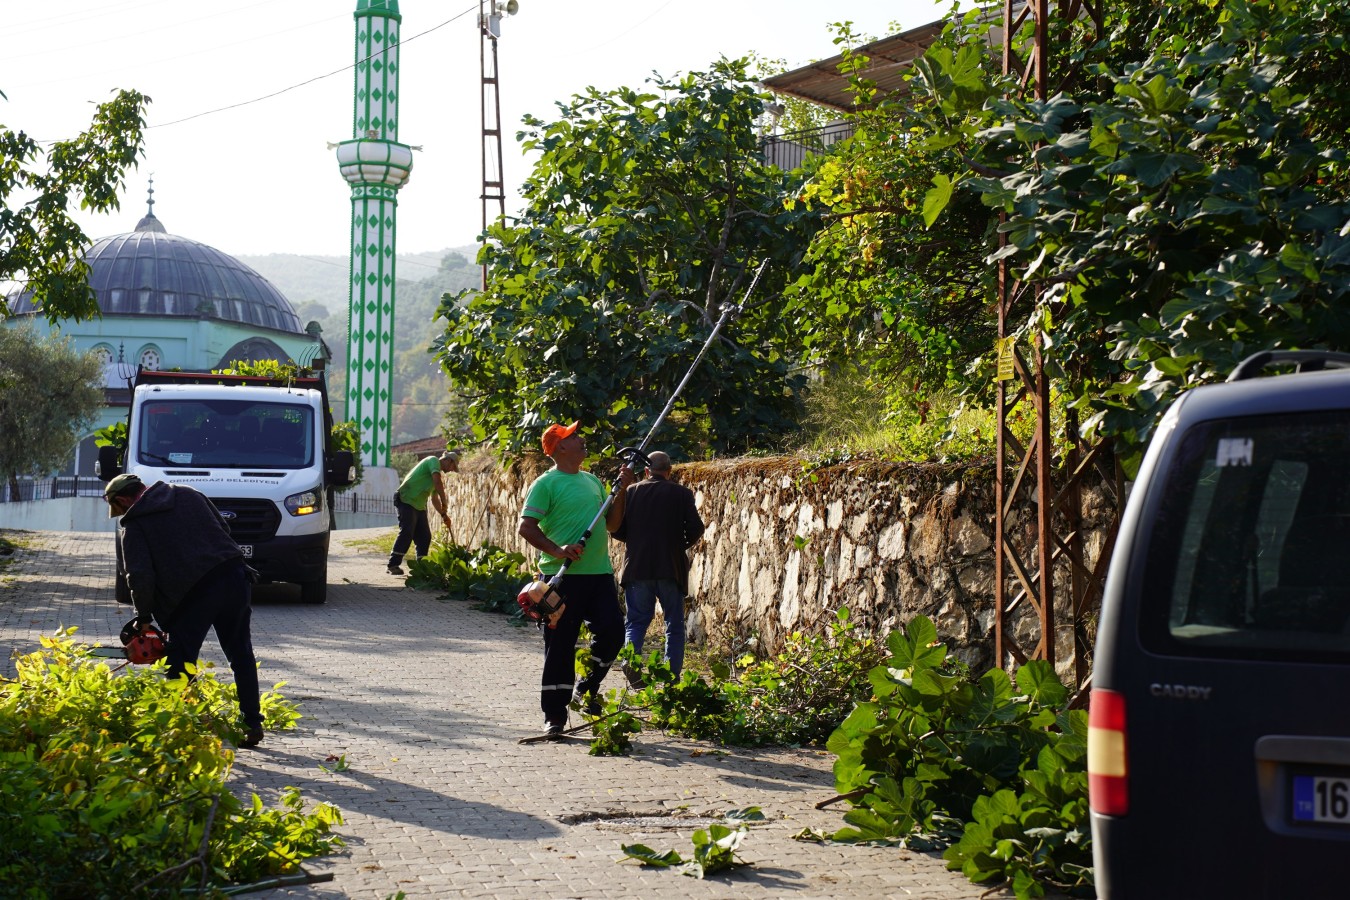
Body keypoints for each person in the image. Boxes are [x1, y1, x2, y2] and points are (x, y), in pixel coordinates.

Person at [104, 473, 265, 748]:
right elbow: (223, 530)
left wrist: (144, 618)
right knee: (241, 654)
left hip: (192, 595)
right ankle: (252, 723)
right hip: (234, 576)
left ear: (121, 500)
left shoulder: (134, 525)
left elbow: (140, 576)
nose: (121, 514)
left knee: (179, 664)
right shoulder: (188, 493)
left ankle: (179, 730)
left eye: (119, 509)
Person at [517, 421, 634, 736]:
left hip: (598, 575)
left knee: (613, 634)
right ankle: (554, 716)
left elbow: (612, 524)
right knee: (559, 647)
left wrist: (620, 493)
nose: (582, 440)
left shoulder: (593, 481)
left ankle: (588, 686)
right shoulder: (546, 484)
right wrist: (558, 549)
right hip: (561, 578)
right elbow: (526, 528)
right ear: (560, 448)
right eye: (573, 437)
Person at [612, 451, 705, 677]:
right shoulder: (682, 494)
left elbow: (618, 530)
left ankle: (631, 662)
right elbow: (696, 528)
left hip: (637, 567)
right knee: (673, 625)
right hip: (670, 568)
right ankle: (671, 676)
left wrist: (637, 541)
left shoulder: (631, 492)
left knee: (635, 622)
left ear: (646, 471)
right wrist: (678, 544)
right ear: (669, 471)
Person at [387, 450, 458, 576]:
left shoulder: (435, 476)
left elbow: (434, 499)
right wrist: (445, 501)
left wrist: (443, 514)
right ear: (448, 460)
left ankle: (421, 567)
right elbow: (438, 483)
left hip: (418, 505)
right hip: (406, 498)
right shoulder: (433, 461)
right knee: (407, 531)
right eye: (453, 466)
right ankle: (393, 564)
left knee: (424, 536)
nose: (452, 469)